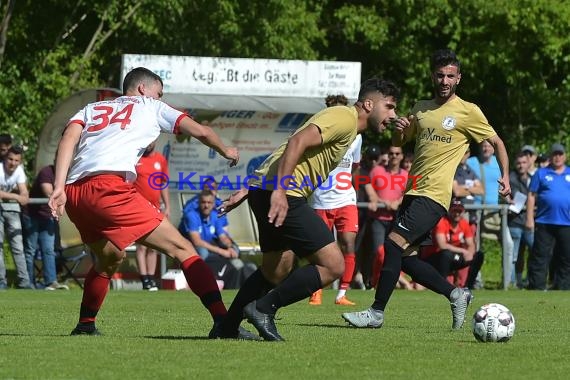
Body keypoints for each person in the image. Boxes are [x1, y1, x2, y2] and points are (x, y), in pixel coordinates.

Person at [47, 67, 254, 340]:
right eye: (159, 92)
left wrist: (59, 187)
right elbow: (201, 131)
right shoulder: (151, 106)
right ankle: (224, 324)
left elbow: (69, 138)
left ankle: (85, 325)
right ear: (143, 89)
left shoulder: (93, 108)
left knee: (110, 257)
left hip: (75, 194)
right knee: (183, 249)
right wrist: (225, 149)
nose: (160, 97)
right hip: (110, 190)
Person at [216, 78, 401, 341]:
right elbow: (296, 142)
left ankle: (227, 326)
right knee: (334, 264)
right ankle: (263, 309)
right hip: (283, 193)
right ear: (369, 104)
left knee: (275, 270)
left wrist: (250, 188)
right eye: (390, 107)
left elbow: (287, 147)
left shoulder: (350, 128)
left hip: (266, 190)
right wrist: (279, 191)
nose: (392, 114)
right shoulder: (345, 117)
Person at [342, 49, 511, 330]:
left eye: (450, 76)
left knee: (392, 244)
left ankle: (376, 312)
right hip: (413, 192)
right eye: (440, 75)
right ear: (433, 76)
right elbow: (398, 142)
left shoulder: (469, 111)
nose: (444, 81)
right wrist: (400, 127)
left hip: (434, 195)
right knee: (405, 259)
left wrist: (505, 175)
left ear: (458, 78)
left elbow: (498, 142)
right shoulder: (420, 108)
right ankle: (456, 294)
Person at [308, 134, 362, 306]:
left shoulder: (357, 137)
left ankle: (341, 294)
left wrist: (345, 185)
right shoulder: (321, 132)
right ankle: (316, 291)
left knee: (348, 244)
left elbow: (355, 166)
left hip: (346, 200)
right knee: (320, 248)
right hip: (320, 200)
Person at [180, 189, 255, 289]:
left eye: (209, 202)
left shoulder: (215, 215)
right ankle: (201, 280)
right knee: (203, 253)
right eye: (203, 202)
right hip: (193, 245)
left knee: (234, 248)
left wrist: (229, 247)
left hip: (210, 244)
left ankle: (237, 271)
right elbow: (196, 241)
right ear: (199, 202)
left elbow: (222, 236)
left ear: (213, 203)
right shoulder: (191, 215)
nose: (206, 205)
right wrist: (222, 252)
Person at [526, 143, 570, 290]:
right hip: (544, 221)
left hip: (566, 222)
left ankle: (563, 287)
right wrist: (529, 218)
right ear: (550, 156)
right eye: (555, 154)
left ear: (565, 156)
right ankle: (537, 286)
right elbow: (531, 195)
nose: (557, 157)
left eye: (560, 154)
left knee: (566, 256)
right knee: (540, 256)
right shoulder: (541, 173)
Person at [420, 199, 483, 289]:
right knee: (446, 254)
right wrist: (463, 251)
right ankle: (442, 285)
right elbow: (442, 245)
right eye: (454, 211)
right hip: (435, 258)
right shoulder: (442, 222)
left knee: (478, 255)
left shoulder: (464, 223)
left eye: (459, 211)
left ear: (463, 212)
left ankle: (468, 286)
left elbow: (471, 243)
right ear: (449, 211)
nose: (457, 214)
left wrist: (470, 253)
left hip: (454, 256)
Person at [24, 164, 69, 290]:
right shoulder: (46, 171)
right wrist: (60, 198)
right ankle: (28, 283)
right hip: (32, 215)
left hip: (47, 216)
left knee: (49, 250)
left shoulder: (69, 174)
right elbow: (48, 191)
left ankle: (51, 282)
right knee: (30, 250)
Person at [367, 145, 407, 288]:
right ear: (387, 155)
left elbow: (408, 194)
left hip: (396, 219)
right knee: (379, 252)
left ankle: (388, 282)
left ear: (401, 156)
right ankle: (374, 282)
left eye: (397, 153)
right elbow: (367, 185)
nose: (394, 156)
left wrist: (397, 202)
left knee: (395, 252)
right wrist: (378, 200)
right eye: (391, 153)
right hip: (378, 218)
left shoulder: (406, 175)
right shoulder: (377, 171)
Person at [133, 140, 170, 291]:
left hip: (155, 208)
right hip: (138, 208)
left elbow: (163, 183)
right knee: (141, 245)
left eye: (151, 141)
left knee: (154, 246)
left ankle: (151, 278)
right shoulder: (136, 158)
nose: (148, 144)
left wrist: (167, 205)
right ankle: (145, 279)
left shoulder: (160, 159)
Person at [0, 146, 32, 289]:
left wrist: (22, 196)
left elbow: (24, 192)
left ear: (20, 161)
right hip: (6, 207)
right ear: (5, 158)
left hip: (11, 209)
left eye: (16, 160)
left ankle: (24, 283)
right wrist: (16, 196)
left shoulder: (19, 171)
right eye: (10, 159)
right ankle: (1, 282)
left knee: (18, 247)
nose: (13, 163)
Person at [508, 151, 534, 288]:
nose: (521, 165)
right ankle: (513, 282)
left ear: (529, 163)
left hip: (529, 223)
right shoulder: (511, 178)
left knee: (535, 252)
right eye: (518, 163)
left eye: (524, 162)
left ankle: (531, 280)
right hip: (515, 222)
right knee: (514, 255)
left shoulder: (532, 177)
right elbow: (523, 197)